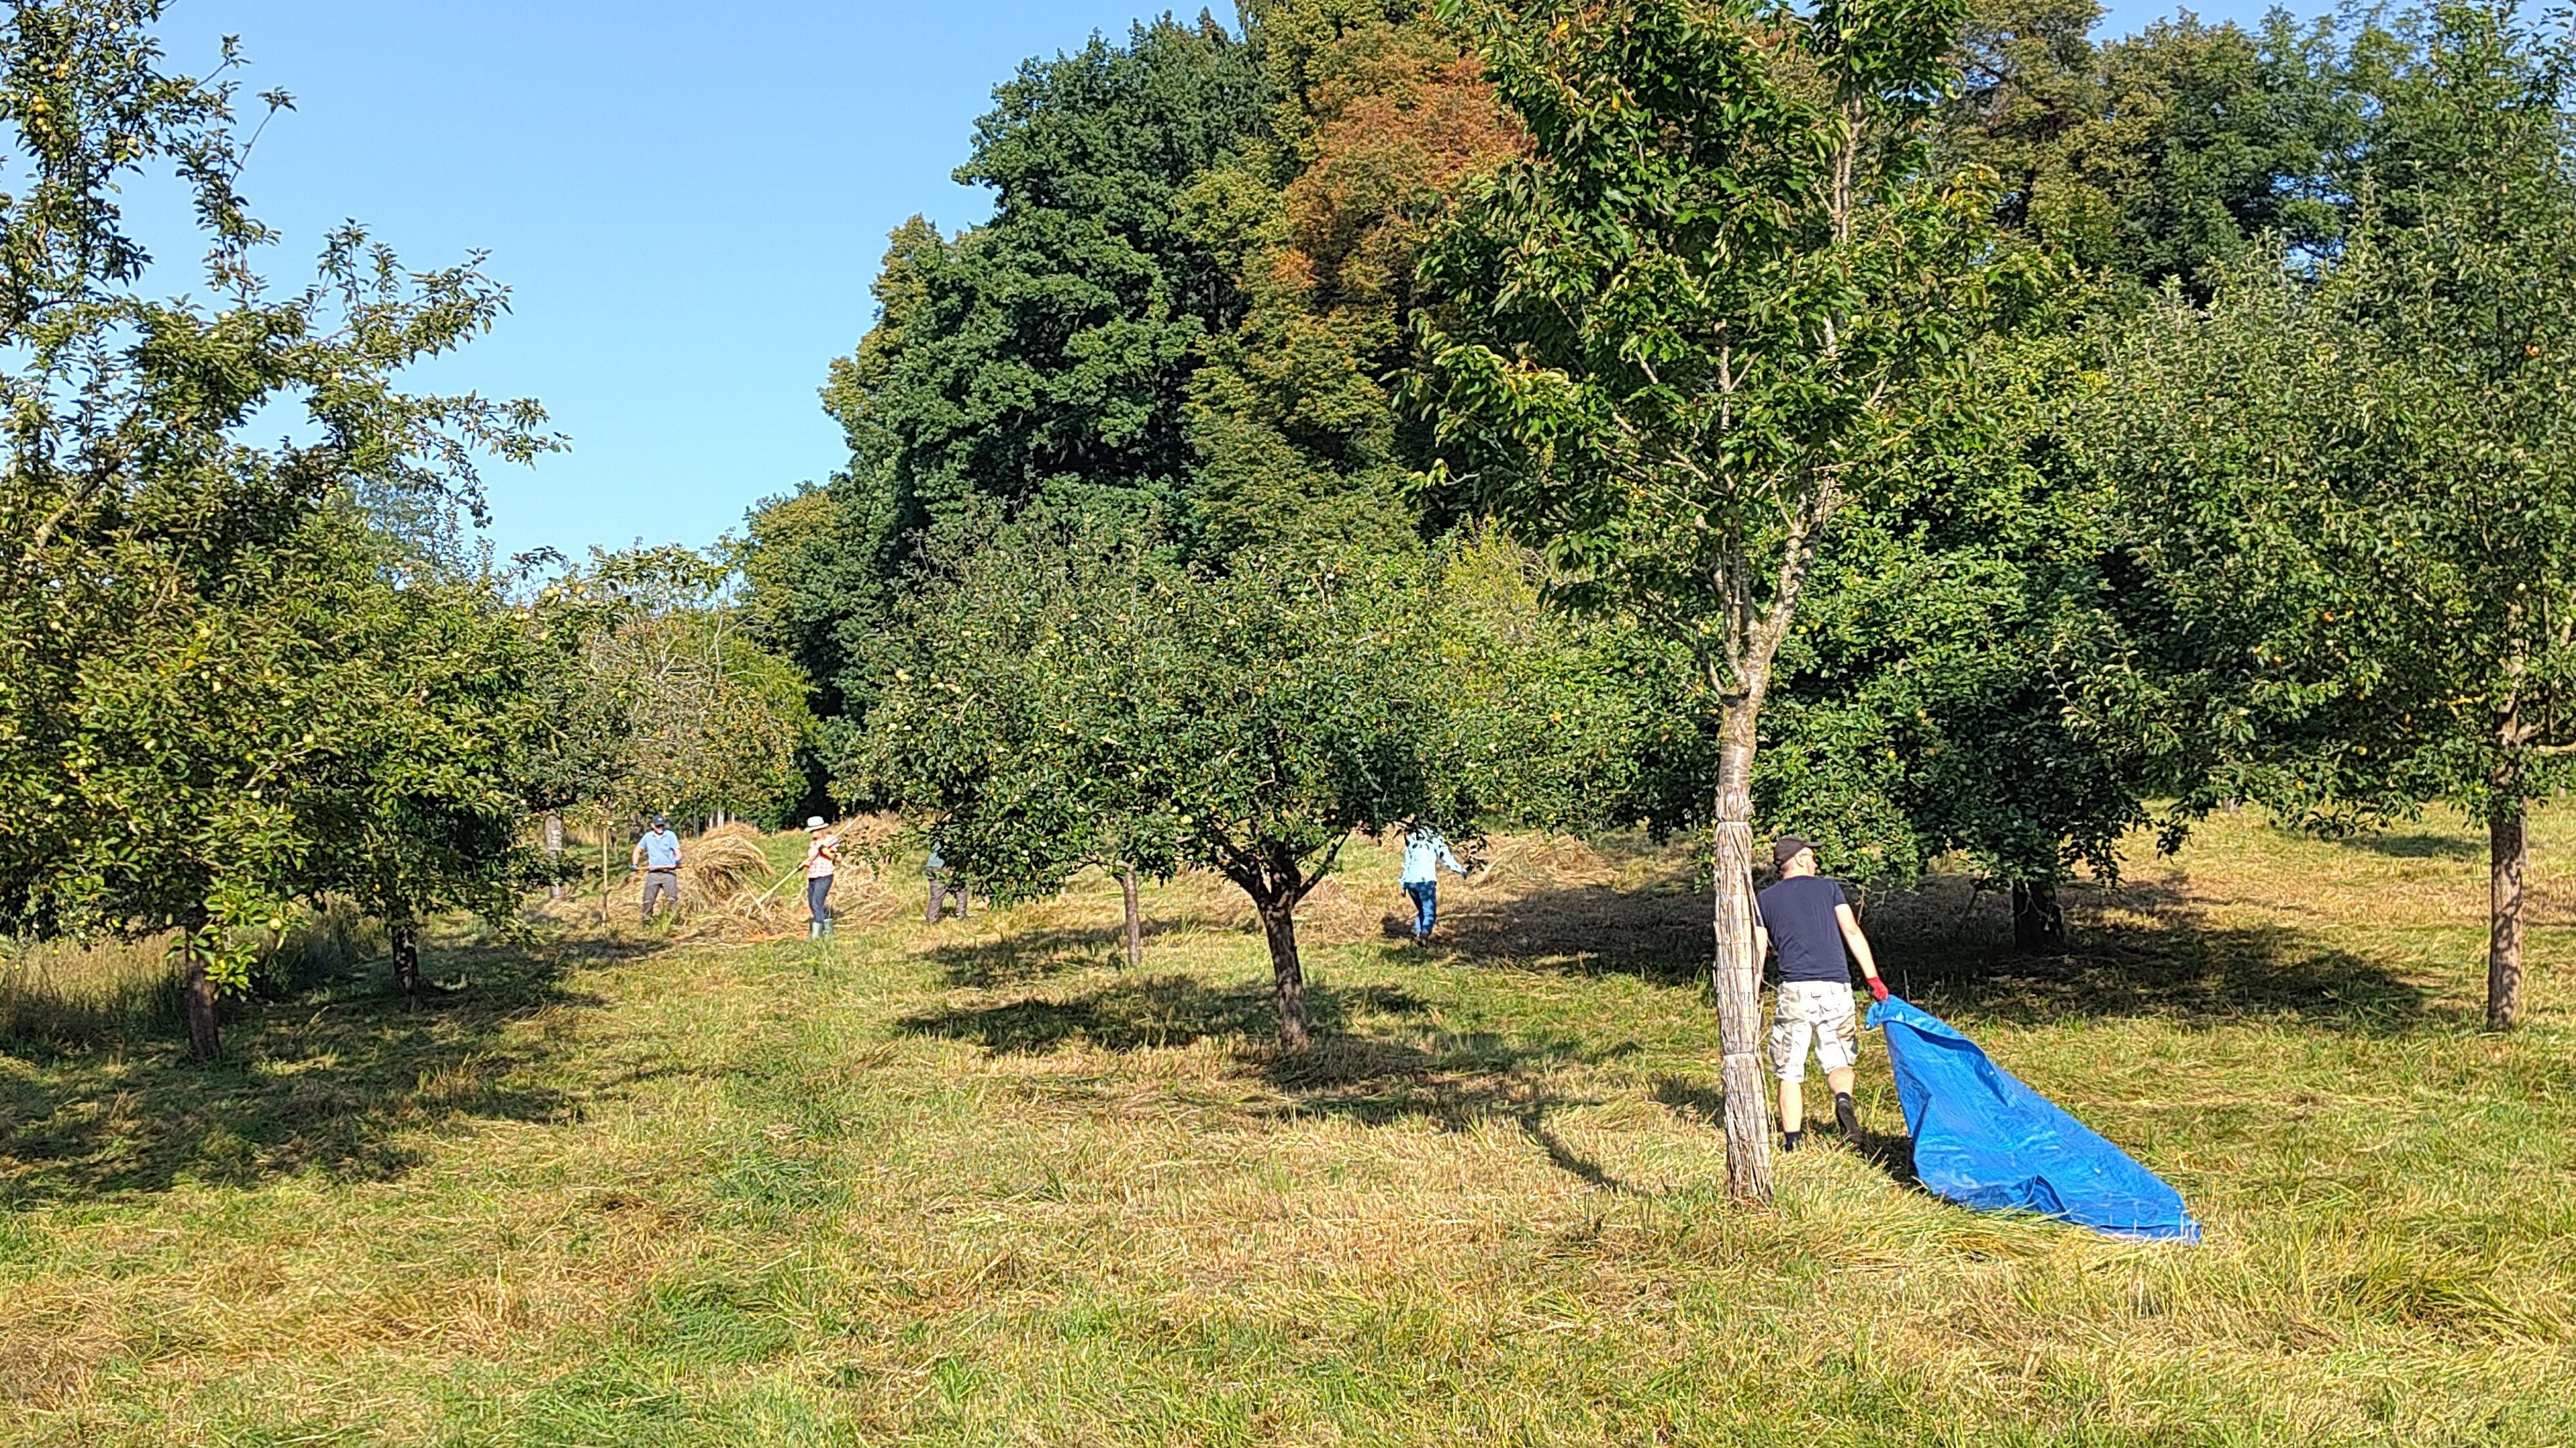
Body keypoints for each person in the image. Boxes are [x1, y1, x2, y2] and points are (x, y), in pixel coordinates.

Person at [1755, 833, 1889, 1152]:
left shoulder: (1764, 899)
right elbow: (1852, 931)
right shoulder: (1829, 889)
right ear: (1800, 859)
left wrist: (1753, 988)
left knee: (1789, 1068)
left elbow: (1758, 948)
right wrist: (1873, 979)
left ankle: (1793, 1142)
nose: (1815, 862)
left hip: (1794, 990)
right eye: (1811, 856)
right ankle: (1843, 1100)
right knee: (1839, 1057)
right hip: (1835, 987)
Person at [1399, 825, 1470, 944]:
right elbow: (1446, 858)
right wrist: (1461, 870)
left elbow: (1407, 863)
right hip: (1426, 881)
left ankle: (1418, 933)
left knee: (1422, 910)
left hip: (1411, 882)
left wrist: (1403, 883)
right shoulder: (1435, 839)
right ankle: (1424, 934)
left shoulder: (1412, 838)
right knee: (1430, 912)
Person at [633, 815, 683, 922]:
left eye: (662, 825)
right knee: (648, 900)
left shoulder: (670, 835)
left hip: (668, 873)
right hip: (653, 873)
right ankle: (647, 922)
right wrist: (635, 864)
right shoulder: (648, 837)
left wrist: (676, 861)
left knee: (672, 900)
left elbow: (678, 853)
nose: (660, 827)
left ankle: (673, 922)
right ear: (652, 825)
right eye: (657, 825)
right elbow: (637, 850)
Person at [802, 817, 841, 938]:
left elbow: (838, 858)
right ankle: (828, 929)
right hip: (813, 875)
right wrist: (804, 864)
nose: (813, 834)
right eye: (811, 831)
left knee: (817, 903)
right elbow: (812, 861)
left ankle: (817, 932)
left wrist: (826, 852)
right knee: (811, 903)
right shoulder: (813, 844)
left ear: (822, 829)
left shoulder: (831, 841)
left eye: (815, 831)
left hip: (825, 875)